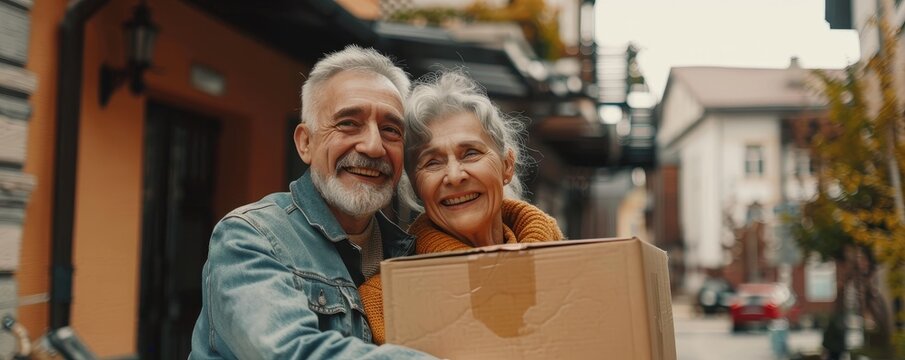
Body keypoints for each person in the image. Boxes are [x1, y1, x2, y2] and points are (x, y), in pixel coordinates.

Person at [189, 45, 437, 359]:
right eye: (348, 123)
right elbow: (291, 352)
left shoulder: (410, 253)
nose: (374, 147)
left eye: (390, 130)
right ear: (305, 143)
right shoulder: (249, 236)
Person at [358, 71, 565, 344]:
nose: (455, 176)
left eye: (470, 153)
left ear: (507, 166)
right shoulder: (385, 299)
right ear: (418, 187)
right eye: (432, 162)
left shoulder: (563, 261)